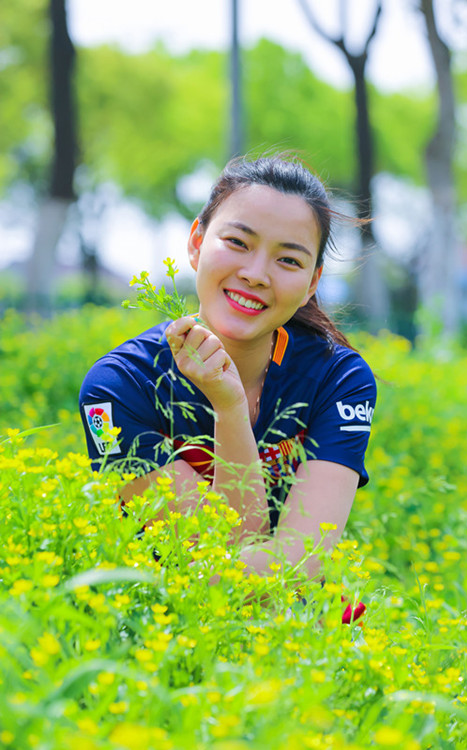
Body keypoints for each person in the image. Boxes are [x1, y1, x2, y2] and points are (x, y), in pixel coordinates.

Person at [80, 154, 376, 586]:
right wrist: (230, 406)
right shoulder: (115, 389)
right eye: (238, 242)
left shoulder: (339, 380)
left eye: (288, 260)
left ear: (312, 284)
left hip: (293, 624)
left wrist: (229, 406)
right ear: (196, 243)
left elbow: (299, 569)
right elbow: (225, 549)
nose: (255, 274)